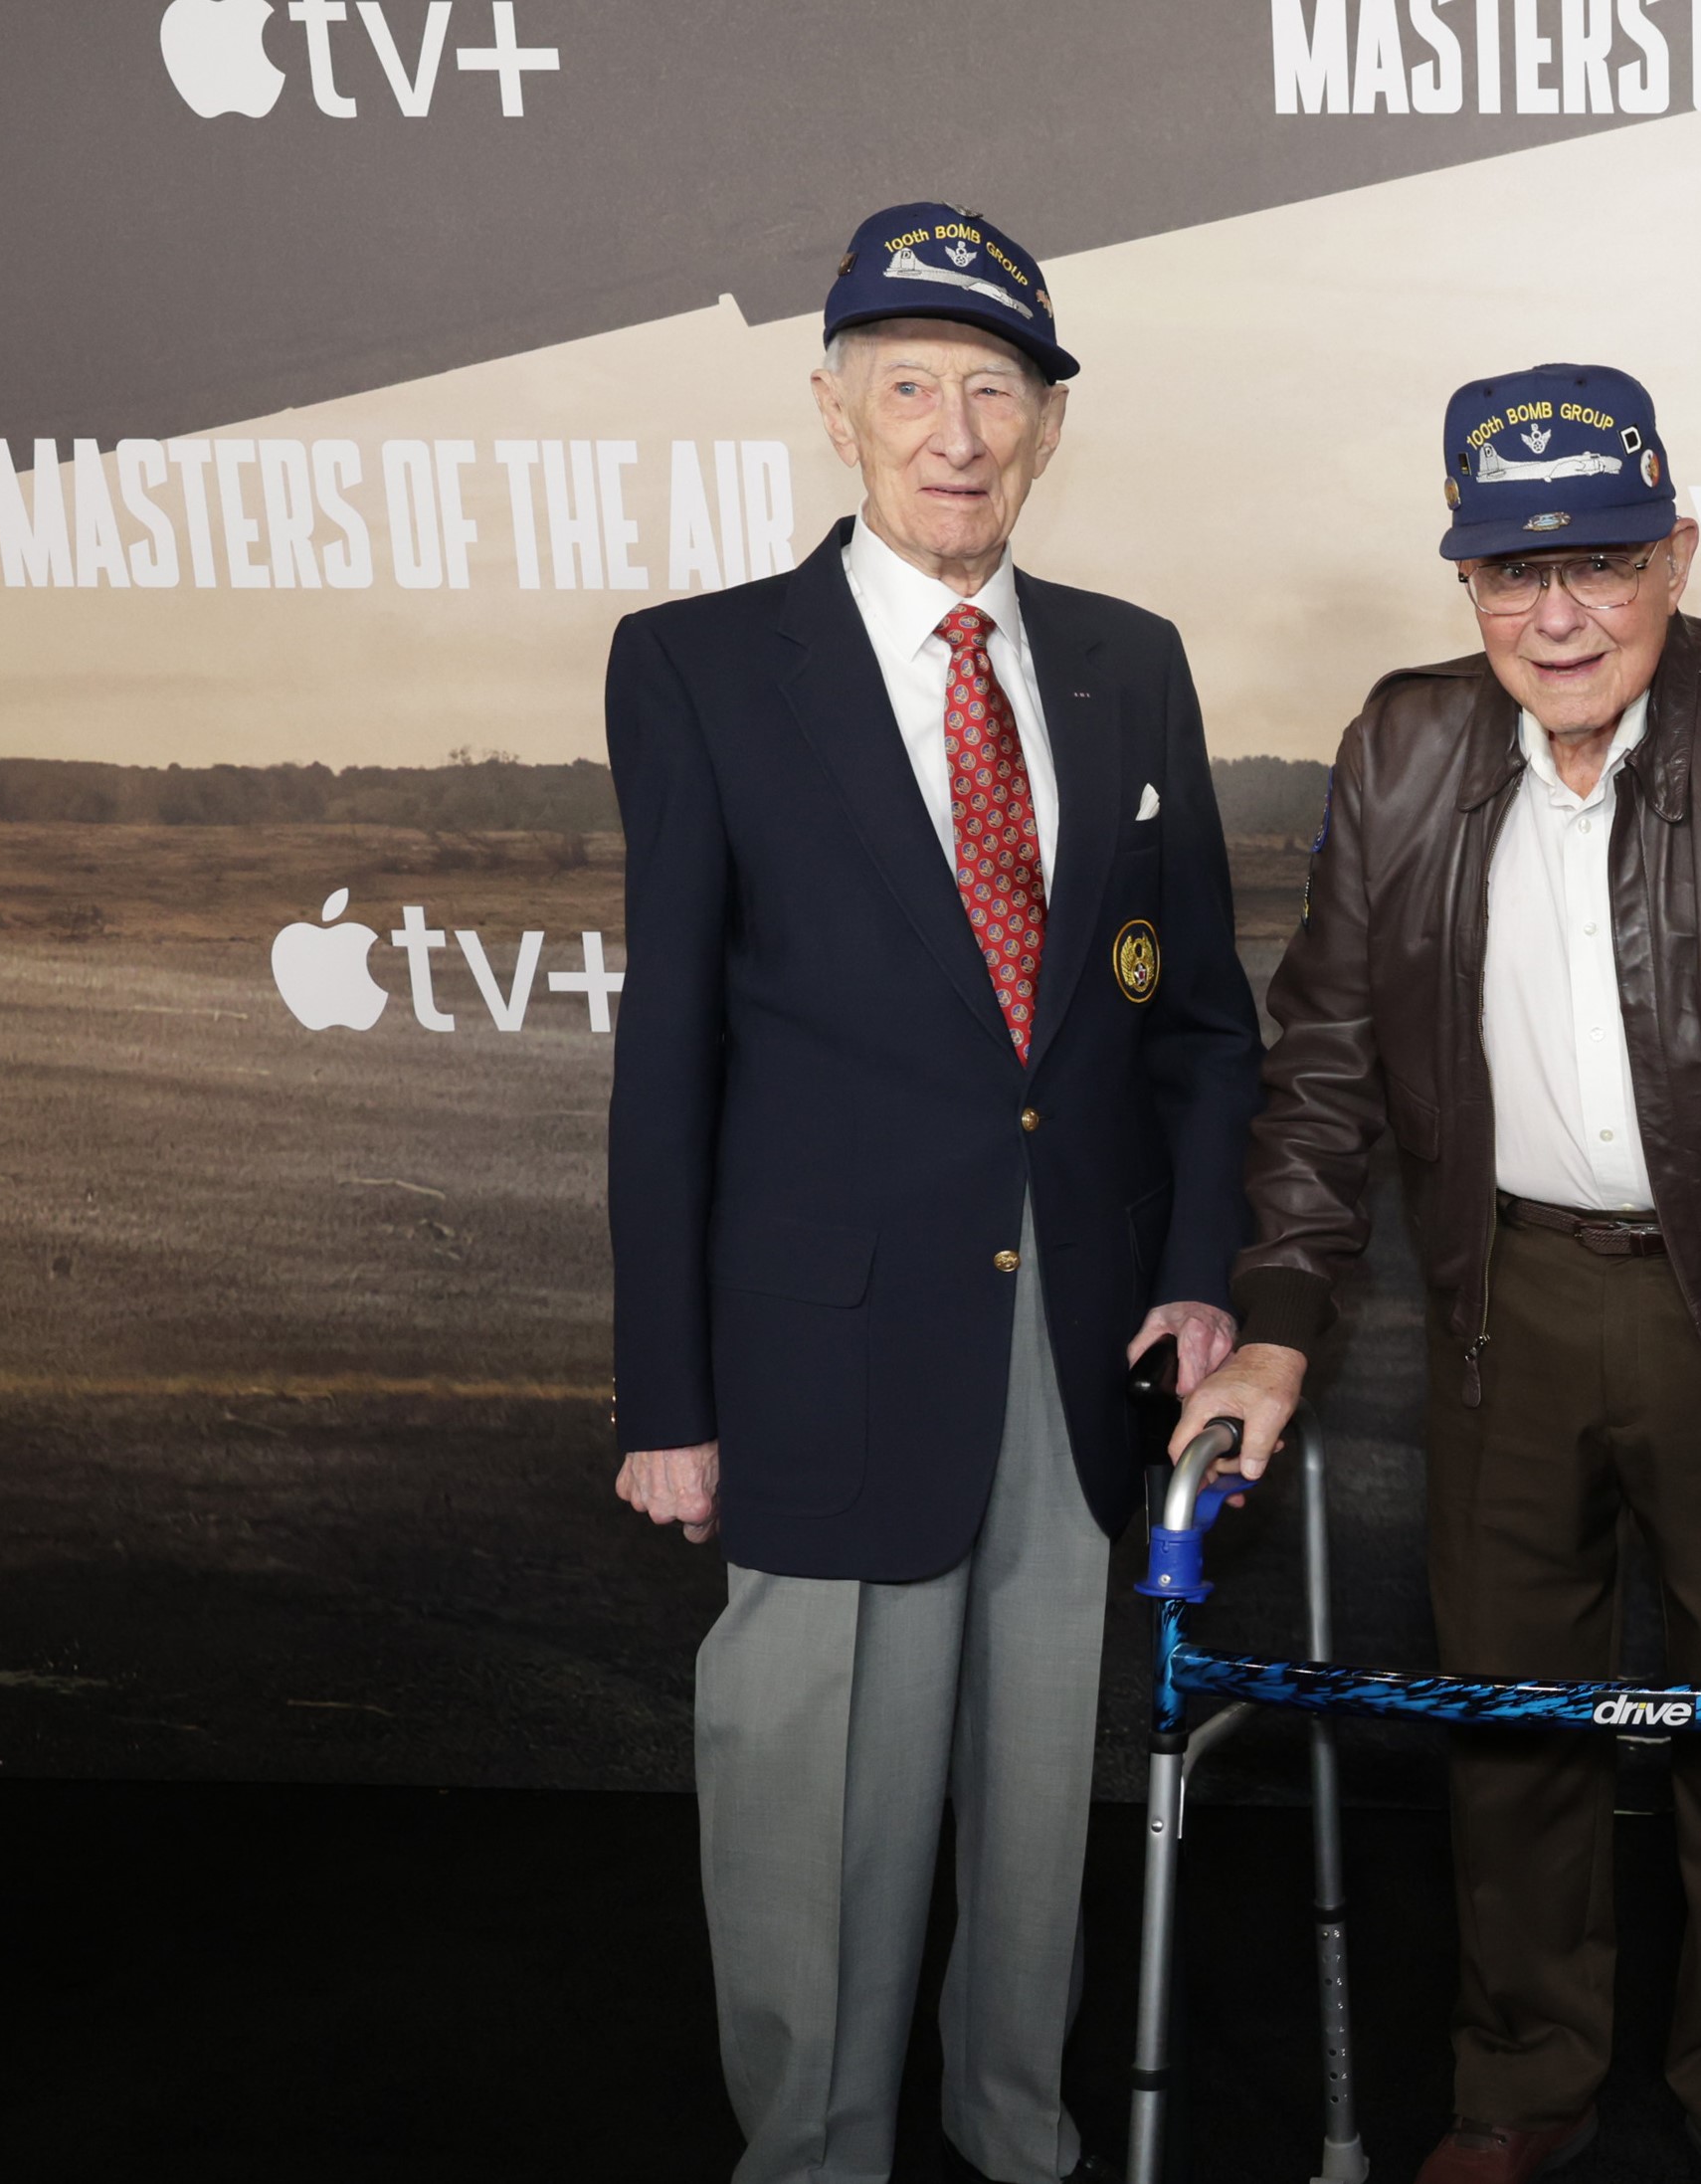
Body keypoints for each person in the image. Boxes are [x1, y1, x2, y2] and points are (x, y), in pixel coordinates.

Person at [604, 201, 1263, 2184]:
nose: (955, 429)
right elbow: (674, 1066)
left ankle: (1015, 2132)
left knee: (1035, 1788)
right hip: (822, 1348)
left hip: (1075, 1343)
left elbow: (1202, 1025)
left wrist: (1200, 1266)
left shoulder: (1130, 668)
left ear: (1048, 424)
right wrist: (668, 1401)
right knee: (812, 1793)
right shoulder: (703, 668)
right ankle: (812, 2152)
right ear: (833, 410)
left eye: (996, 388)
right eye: (911, 386)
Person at [1171, 364, 1701, 2184]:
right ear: (1464, 581)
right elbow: (1322, 1059)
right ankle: (1519, 2082)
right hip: (1501, 1300)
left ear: (1678, 554)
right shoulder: (1401, 743)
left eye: (1602, 564)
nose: (1555, 615)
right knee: (1510, 1723)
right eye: (1508, 573)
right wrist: (1278, 1327)